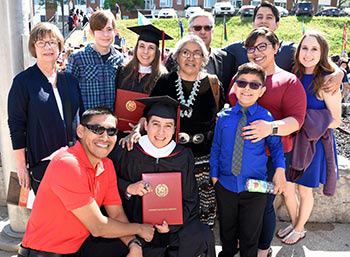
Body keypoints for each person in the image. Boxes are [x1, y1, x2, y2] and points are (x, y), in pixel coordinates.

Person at [18, 107, 155, 257]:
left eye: (111, 131)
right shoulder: (67, 164)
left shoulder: (106, 165)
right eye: (97, 129)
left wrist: (133, 244)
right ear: (81, 131)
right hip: (43, 253)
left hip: (76, 250)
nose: (105, 137)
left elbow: (116, 215)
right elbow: (98, 227)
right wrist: (140, 229)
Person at [228, 27, 307, 257]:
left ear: (276, 47)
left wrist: (269, 128)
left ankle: (263, 250)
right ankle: (248, 242)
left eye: (262, 46)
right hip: (241, 155)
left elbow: (296, 121)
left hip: (273, 157)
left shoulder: (288, 81)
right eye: (251, 48)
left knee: (263, 205)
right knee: (244, 202)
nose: (256, 52)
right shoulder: (240, 77)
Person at [112, 96, 212, 257]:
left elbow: (191, 198)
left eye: (168, 126)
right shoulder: (128, 150)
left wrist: (172, 226)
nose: (161, 132)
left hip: (171, 228)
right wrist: (128, 188)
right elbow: (108, 183)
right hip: (133, 224)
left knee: (202, 235)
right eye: (155, 124)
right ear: (146, 125)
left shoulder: (183, 156)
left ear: (174, 129)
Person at [149, 34, 224, 228]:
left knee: (204, 206)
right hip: (172, 154)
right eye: (186, 52)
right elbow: (149, 112)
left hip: (204, 156)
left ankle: (202, 242)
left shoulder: (213, 84)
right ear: (177, 57)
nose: (191, 58)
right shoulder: (165, 81)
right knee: (171, 202)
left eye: (197, 53)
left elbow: (222, 115)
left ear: (204, 58)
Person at [211, 62, 286, 257]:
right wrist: (214, 176)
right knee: (226, 231)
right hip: (226, 185)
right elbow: (216, 147)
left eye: (254, 85)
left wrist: (280, 170)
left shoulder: (266, 117)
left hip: (255, 188)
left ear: (261, 91)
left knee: (250, 235)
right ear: (234, 86)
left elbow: (276, 148)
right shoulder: (224, 117)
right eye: (242, 83)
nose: (247, 89)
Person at [280, 31, 341, 245]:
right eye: (304, 48)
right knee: (287, 187)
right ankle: (296, 221)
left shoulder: (327, 81)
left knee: (305, 189)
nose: (308, 53)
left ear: (323, 52)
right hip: (292, 141)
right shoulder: (293, 76)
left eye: (314, 49)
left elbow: (336, 120)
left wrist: (305, 123)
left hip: (313, 144)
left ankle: (299, 228)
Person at [7, 22, 82, 194]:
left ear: (59, 45)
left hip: (73, 161)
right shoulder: (23, 82)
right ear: (34, 47)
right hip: (43, 165)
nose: (47, 47)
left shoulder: (70, 80)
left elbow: (81, 119)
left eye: (52, 42)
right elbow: (17, 126)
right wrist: (21, 166)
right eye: (41, 42)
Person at [224, 1, 343, 96]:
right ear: (253, 22)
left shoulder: (289, 49)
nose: (264, 21)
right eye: (260, 17)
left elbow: (316, 57)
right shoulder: (237, 48)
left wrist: (339, 72)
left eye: (269, 17)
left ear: (277, 24)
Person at [114, 24, 171, 136]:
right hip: (118, 133)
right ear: (136, 49)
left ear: (157, 52)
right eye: (142, 46)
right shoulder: (123, 71)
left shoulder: (163, 78)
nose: (145, 52)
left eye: (151, 48)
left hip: (146, 137)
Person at [66, 10, 124, 111]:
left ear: (115, 32)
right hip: (87, 122)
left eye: (109, 29)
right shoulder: (77, 58)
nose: (105, 34)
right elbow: (68, 93)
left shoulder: (119, 59)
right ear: (91, 33)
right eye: (100, 30)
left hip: (111, 122)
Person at [166, 11, 233, 93]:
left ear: (212, 31)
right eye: (198, 28)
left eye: (207, 28)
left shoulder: (226, 59)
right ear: (189, 31)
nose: (203, 32)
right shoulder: (174, 58)